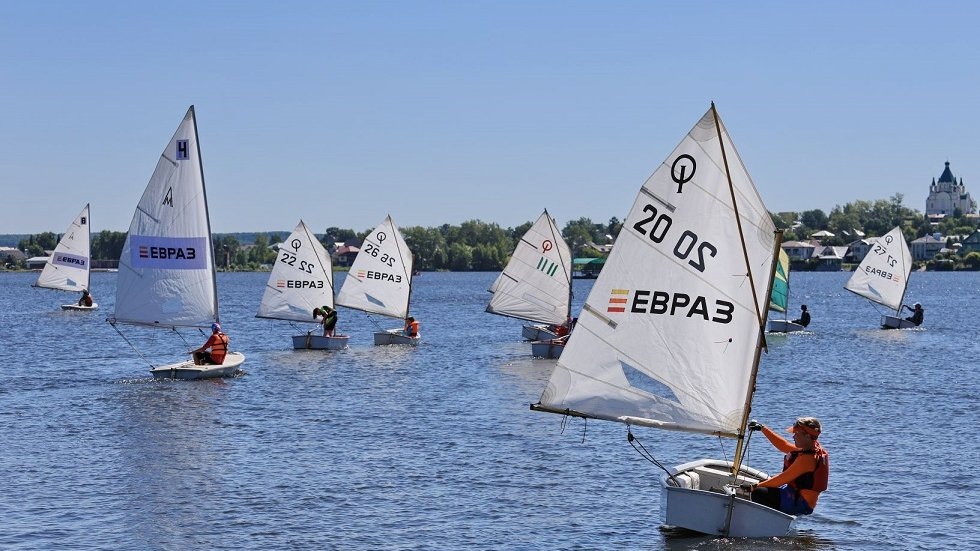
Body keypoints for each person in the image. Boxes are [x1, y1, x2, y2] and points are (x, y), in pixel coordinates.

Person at [746, 417, 829, 516]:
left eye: (796, 434)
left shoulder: (807, 460)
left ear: (807, 436)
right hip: (795, 495)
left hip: (800, 503)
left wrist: (753, 487)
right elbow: (784, 445)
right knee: (764, 483)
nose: (793, 437)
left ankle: (773, 521)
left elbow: (779, 481)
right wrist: (763, 428)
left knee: (758, 492)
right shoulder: (811, 447)